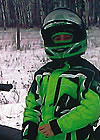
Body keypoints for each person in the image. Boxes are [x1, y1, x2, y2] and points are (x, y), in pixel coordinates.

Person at [22, 8, 100, 140]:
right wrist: (29, 128)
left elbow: (92, 109)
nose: (62, 41)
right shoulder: (42, 74)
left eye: (66, 37)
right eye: (57, 38)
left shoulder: (87, 74)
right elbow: (32, 105)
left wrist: (58, 126)